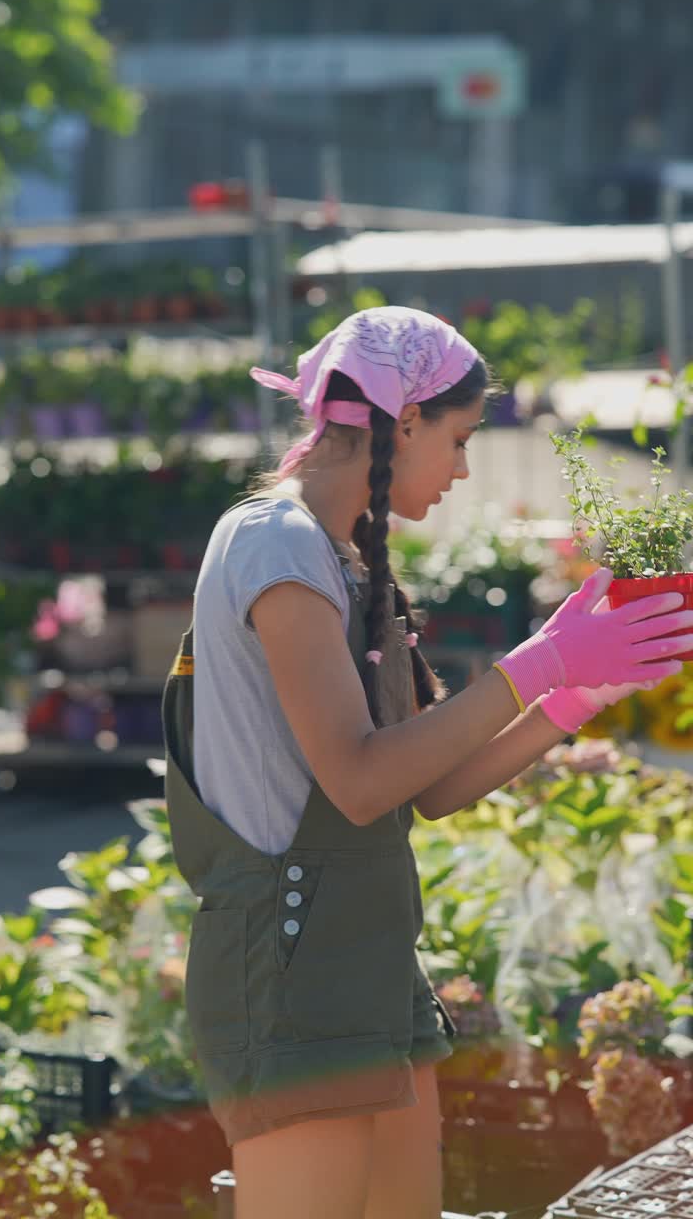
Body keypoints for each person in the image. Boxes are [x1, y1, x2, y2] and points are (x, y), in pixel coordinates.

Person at [162, 306, 693, 1219]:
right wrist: (537, 664)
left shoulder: (347, 557)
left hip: (365, 954)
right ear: (400, 421)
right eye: (458, 437)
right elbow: (361, 784)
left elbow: (430, 787)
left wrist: (568, 702)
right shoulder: (274, 545)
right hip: (287, 967)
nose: (463, 468)